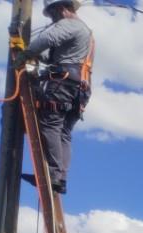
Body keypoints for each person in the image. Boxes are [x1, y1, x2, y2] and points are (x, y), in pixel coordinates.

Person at [14, 0, 94, 195]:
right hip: (80, 88)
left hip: (63, 83)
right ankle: (60, 177)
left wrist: (25, 54)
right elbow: (65, 56)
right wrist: (41, 59)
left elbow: (45, 40)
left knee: (50, 124)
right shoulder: (87, 32)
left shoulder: (69, 25)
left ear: (60, 9)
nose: (51, 20)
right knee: (64, 132)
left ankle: (53, 174)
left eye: (51, 15)